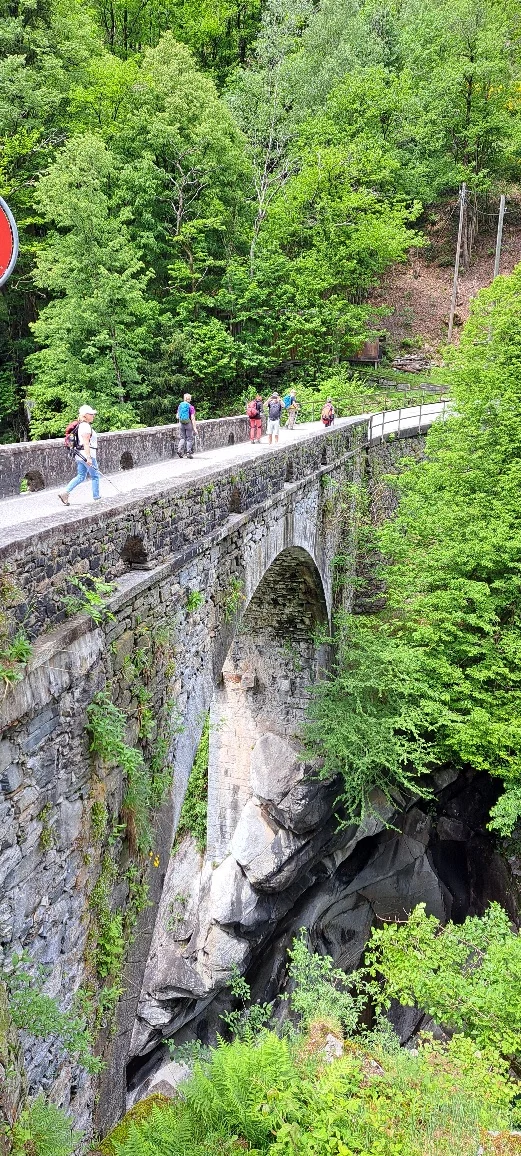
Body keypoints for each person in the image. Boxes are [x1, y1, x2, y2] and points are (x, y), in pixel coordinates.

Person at [59, 404, 100, 505]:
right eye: (91, 414)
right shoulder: (85, 426)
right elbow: (86, 442)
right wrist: (89, 458)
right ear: (85, 415)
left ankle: (65, 492)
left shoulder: (80, 425)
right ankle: (97, 497)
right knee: (95, 476)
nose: (93, 416)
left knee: (81, 476)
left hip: (79, 455)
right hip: (86, 455)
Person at [177, 393, 198, 458]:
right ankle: (188, 453)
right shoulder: (191, 407)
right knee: (189, 438)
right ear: (189, 399)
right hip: (188, 424)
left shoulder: (180, 405)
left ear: (184, 398)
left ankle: (179, 450)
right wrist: (194, 428)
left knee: (182, 438)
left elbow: (177, 416)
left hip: (181, 424)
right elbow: (192, 418)